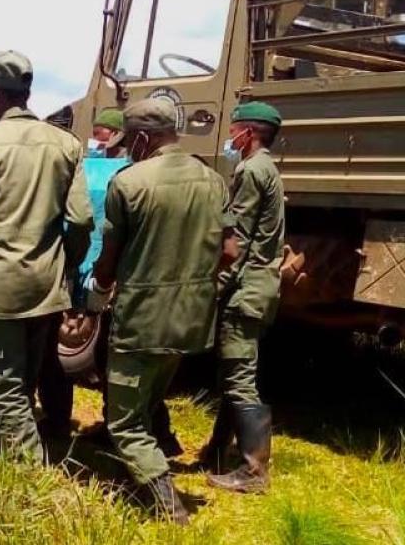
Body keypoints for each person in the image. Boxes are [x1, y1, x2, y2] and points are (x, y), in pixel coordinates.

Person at [87, 98, 228, 525]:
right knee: (150, 400)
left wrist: (99, 288)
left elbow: (109, 258)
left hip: (141, 317)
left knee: (124, 420)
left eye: (132, 141)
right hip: (191, 319)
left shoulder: (130, 183)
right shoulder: (213, 179)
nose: (129, 149)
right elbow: (231, 251)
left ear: (144, 138)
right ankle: (146, 465)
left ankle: (167, 503)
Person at [0, 50, 94, 462]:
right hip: (45, 285)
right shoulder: (67, 144)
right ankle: (14, 455)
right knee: (25, 380)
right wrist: (66, 264)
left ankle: (29, 476)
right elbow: (82, 220)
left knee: (2, 386)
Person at [41, 107, 184, 460]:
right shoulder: (167, 176)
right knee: (117, 362)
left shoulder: (126, 179)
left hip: (119, 282)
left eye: (108, 133)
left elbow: (98, 237)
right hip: (146, 286)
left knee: (113, 363)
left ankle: (146, 457)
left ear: (133, 137)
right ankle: (156, 433)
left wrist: (97, 290)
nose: (101, 139)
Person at [203, 101, 285, 494]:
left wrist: (215, 287)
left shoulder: (251, 170)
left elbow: (239, 240)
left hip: (246, 288)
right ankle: (217, 450)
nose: (229, 137)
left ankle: (253, 473)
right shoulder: (268, 166)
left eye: (233, 129)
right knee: (234, 369)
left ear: (248, 133)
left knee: (238, 374)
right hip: (261, 285)